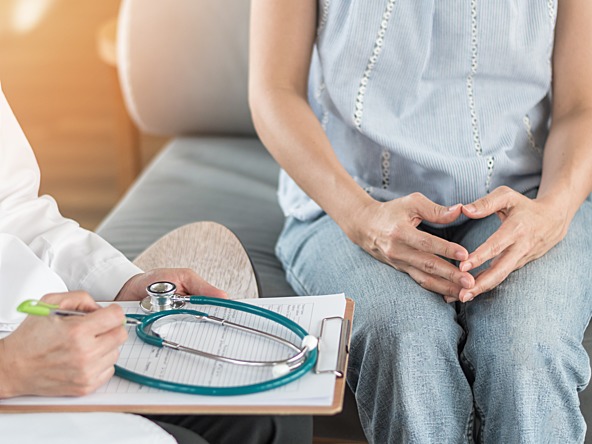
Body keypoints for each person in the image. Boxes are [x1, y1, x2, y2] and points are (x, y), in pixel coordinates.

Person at [249, 1, 592, 443]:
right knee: (405, 342)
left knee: (525, 348)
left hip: (525, 195)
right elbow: (273, 90)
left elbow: (581, 106)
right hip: (352, 195)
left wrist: (553, 213)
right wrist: (361, 217)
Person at [0, 84, 312, 444]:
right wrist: (10, 368)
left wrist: (120, 284)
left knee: (272, 414)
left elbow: (12, 209)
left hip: (43, 336)